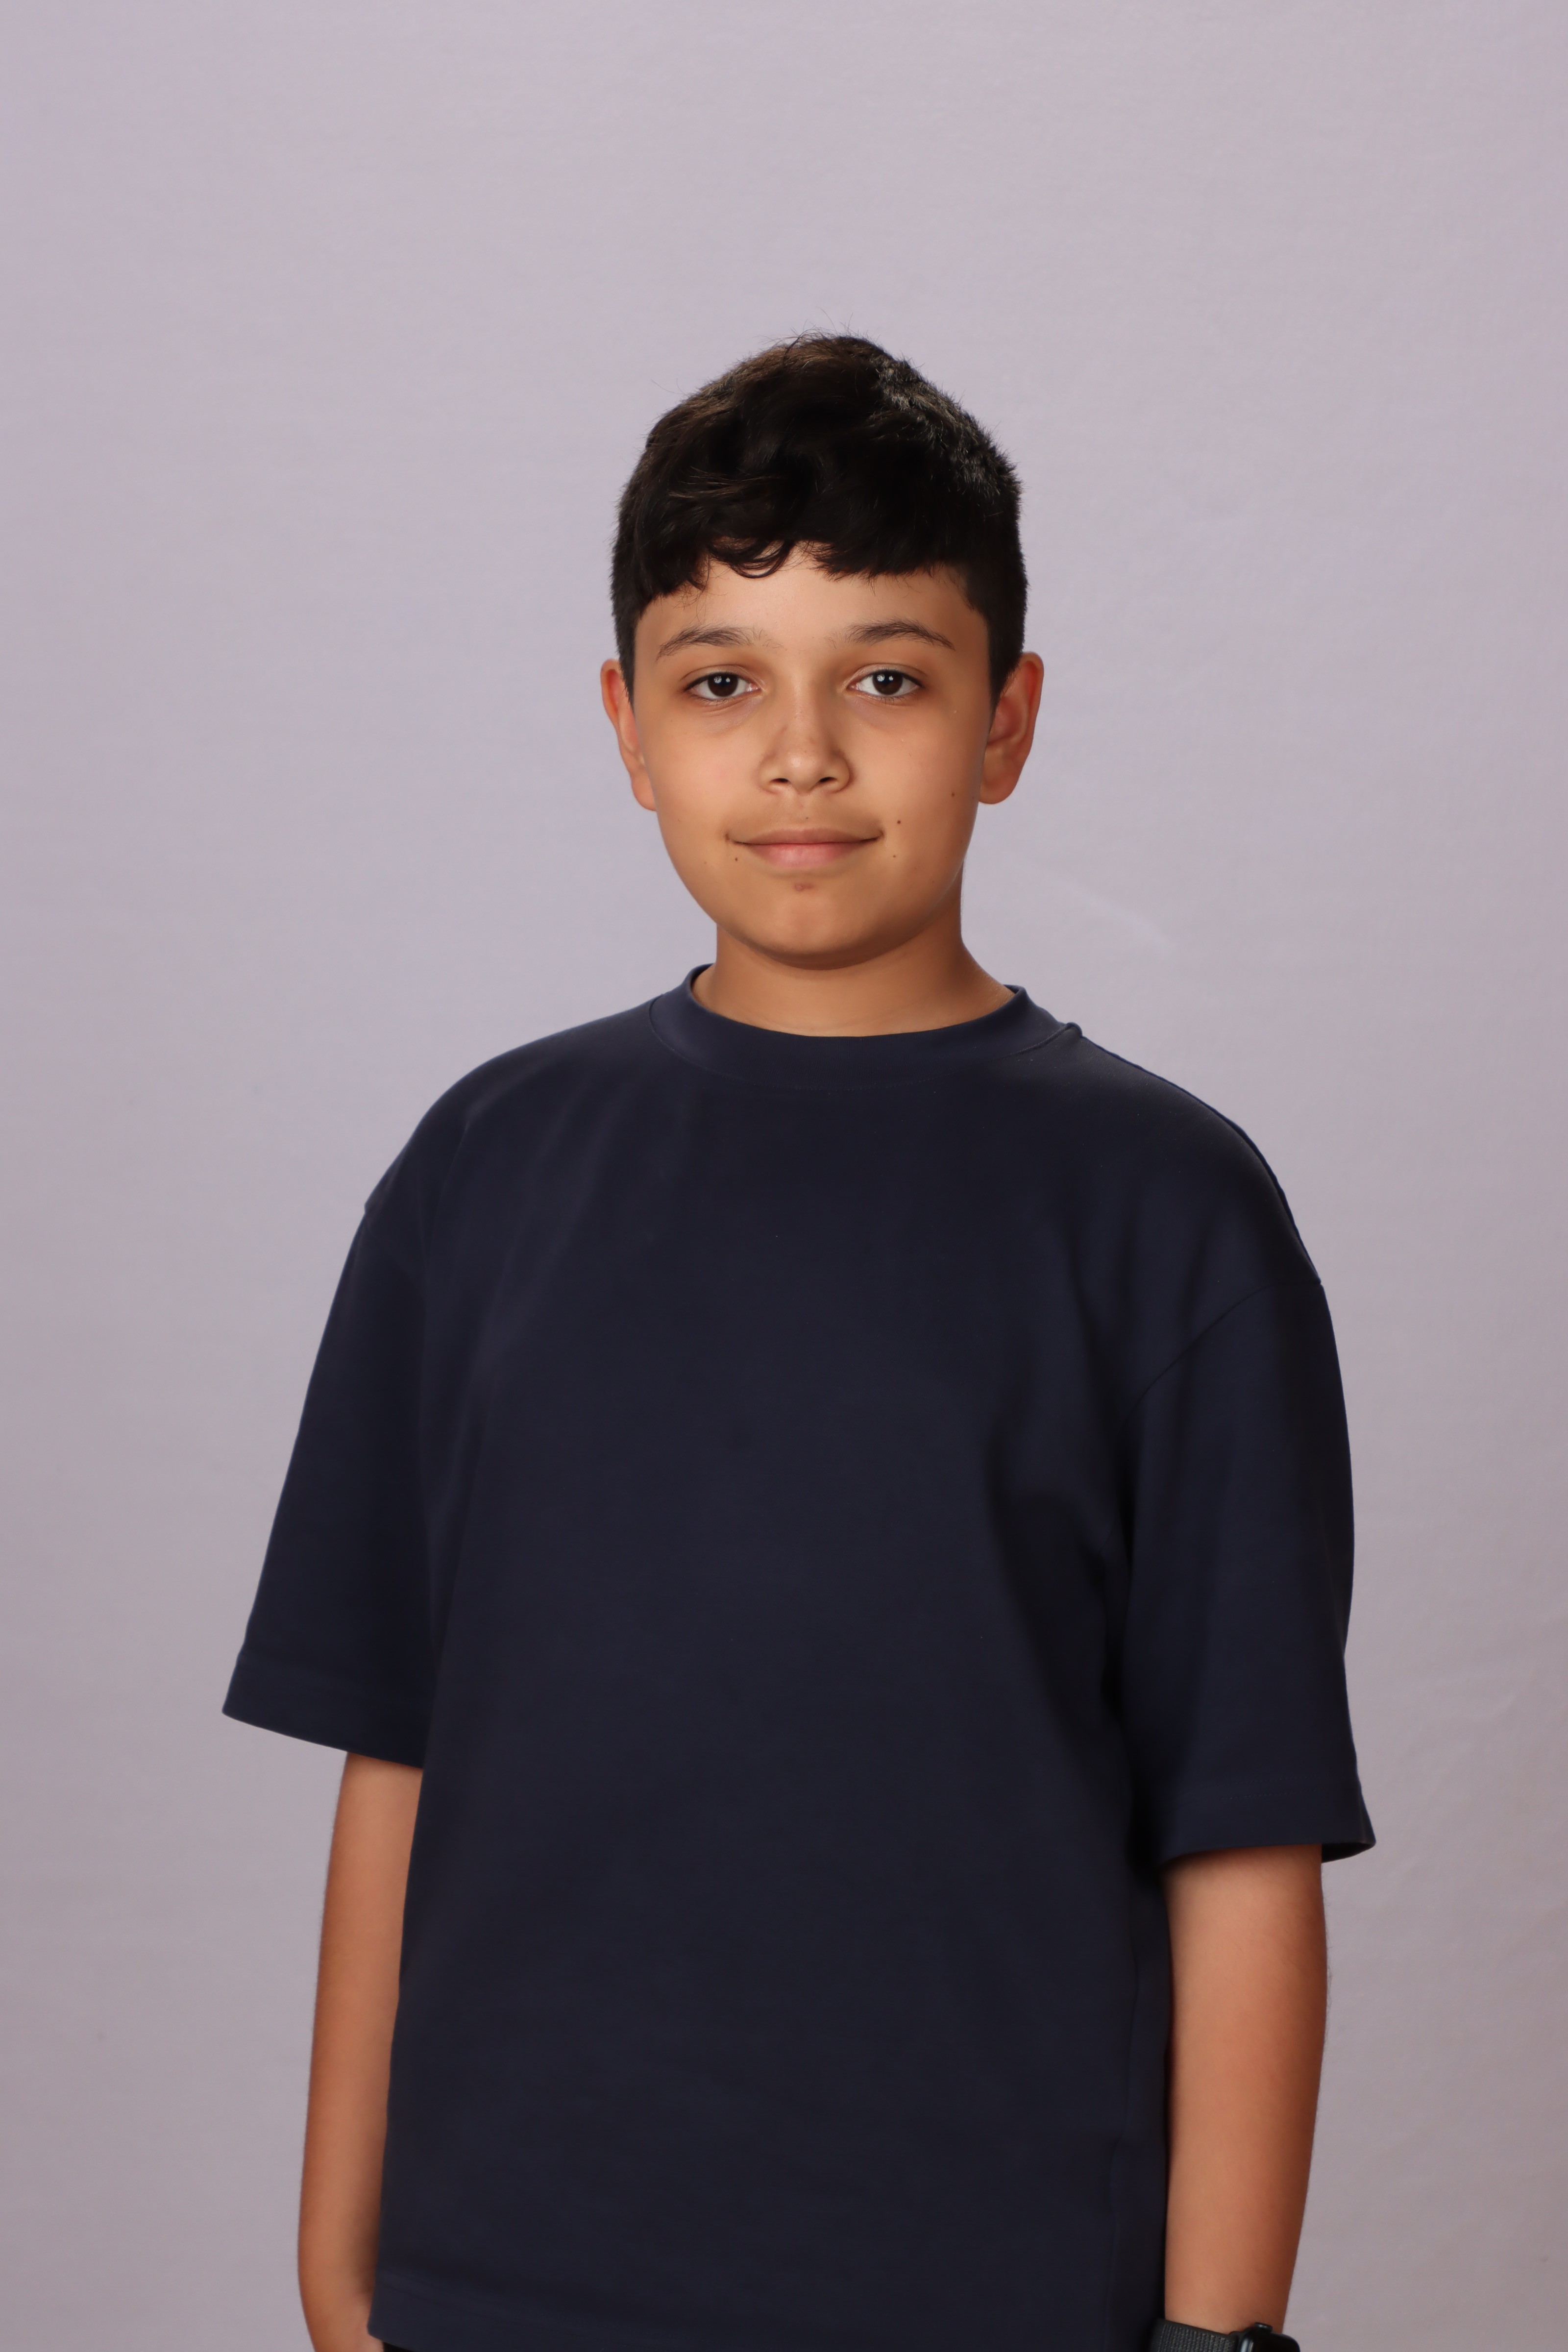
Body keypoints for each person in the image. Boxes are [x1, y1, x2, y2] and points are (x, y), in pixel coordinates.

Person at [223, 333, 1372, 2352]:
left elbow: (1243, 1833)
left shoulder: (1166, 1213)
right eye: (723, 680)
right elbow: (395, 1753)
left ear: (1007, 721)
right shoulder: (482, 1173)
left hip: (1001, 2292)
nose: (803, 757)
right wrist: (341, 2273)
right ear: (626, 724)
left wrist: (1220, 2338)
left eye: (889, 679)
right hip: (508, 2284)